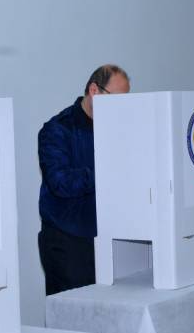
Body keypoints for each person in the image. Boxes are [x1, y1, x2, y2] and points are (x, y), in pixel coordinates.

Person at [38, 65, 130, 295]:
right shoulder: (57, 130)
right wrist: (107, 172)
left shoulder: (121, 130)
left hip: (110, 239)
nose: (122, 108)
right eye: (116, 99)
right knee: (73, 322)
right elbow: (60, 182)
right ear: (94, 90)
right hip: (68, 244)